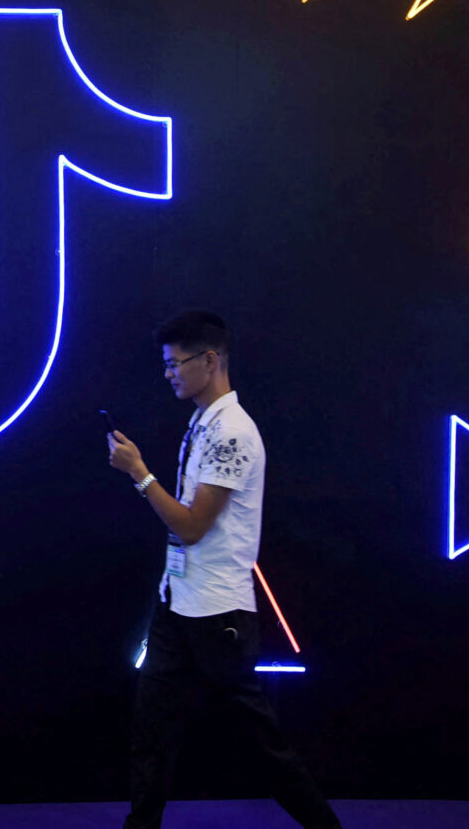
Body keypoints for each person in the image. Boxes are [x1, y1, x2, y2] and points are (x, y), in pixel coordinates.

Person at [107, 310, 342, 829]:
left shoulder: (233, 432)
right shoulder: (203, 422)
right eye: (166, 364)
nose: (168, 373)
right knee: (152, 733)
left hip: (218, 615)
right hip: (177, 602)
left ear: (209, 361)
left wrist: (140, 475)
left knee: (261, 745)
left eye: (176, 363)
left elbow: (193, 527)